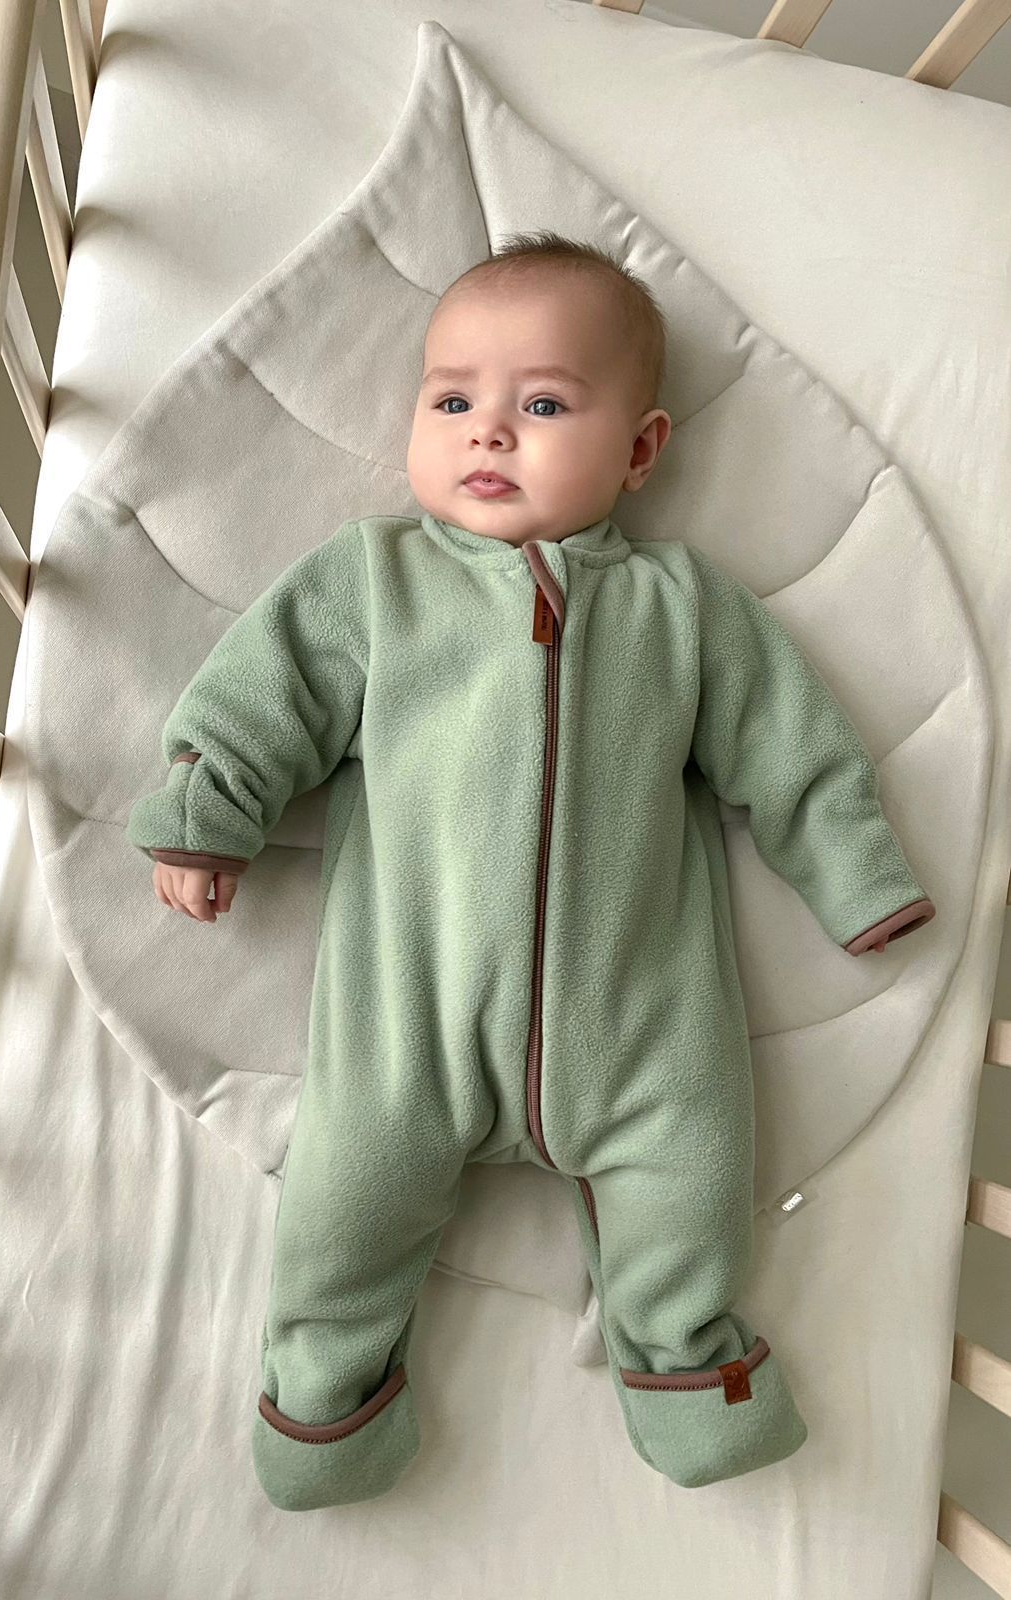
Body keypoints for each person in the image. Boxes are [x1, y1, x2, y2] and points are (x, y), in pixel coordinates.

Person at [127, 231, 936, 1511]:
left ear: (641, 450)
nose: (488, 432)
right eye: (452, 401)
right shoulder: (374, 584)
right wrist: (208, 811)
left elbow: (794, 750)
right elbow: (259, 698)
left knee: (698, 1183)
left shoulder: (683, 609)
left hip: (642, 1022)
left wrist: (858, 877)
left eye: (544, 405)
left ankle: (687, 1376)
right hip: (408, 1023)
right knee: (341, 1207)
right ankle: (322, 1410)